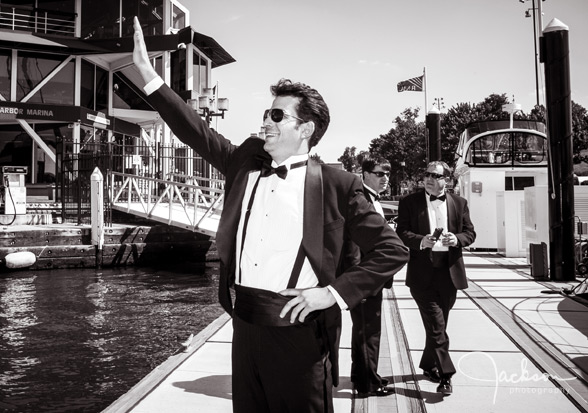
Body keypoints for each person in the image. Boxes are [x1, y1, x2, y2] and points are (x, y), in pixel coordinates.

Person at [132, 16, 409, 413]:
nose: (266, 120)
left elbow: (392, 250)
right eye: (267, 112)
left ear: (307, 129)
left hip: (299, 331)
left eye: (278, 116)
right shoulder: (244, 161)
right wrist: (147, 75)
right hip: (244, 324)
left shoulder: (338, 184)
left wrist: (330, 295)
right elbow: (194, 130)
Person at [395, 161, 476, 397]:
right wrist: (421, 240)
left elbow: (470, 233)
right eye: (426, 175)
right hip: (422, 274)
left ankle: (428, 365)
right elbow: (402, 232)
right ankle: (446, 375)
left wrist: (457, 239)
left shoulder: (460, 203)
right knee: (437, 326)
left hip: (449, 274)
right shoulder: (409, 202)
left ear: (446, 180)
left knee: (438, 327)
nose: (428, 179)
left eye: (435, 175)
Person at [348, 157, 393, 397]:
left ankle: (362, 375)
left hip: (369, 276)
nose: (385, 178)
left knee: (364, 331)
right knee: (369, 332)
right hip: (365, 276)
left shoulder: (371, 199)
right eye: (379, 173)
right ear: (364, 174)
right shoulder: (362, 199)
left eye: (387, 174)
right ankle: (367, 385)